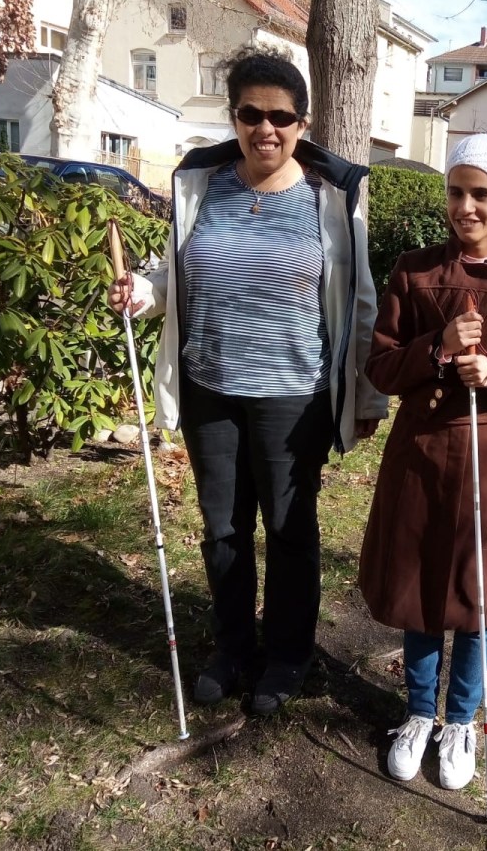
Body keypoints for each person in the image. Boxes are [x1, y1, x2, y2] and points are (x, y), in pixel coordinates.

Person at [108, 47, 387, 716]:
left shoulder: (331, 198)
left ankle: (287, 655)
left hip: (294, 398)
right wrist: (142, 291)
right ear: (234, 116)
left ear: (302, 121)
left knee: (290, 530)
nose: (266, 128)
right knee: (222, 528)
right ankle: (231, 646)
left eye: (281, 116)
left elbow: (363, 303)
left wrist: (368, 396)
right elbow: (181, 271)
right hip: (211, 388)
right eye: (251, 114)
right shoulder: (203, 186)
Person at [359, 133, 487, 790]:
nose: (466, 207)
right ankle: (419, 711)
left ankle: (461, 721)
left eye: (481, 194)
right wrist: (438, 347)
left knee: (481, 596)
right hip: (422, 450)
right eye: (456, 192)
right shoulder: (415, 271)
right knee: (422, 590)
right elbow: (383, 365)